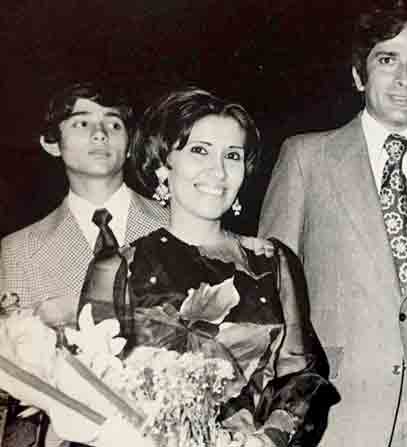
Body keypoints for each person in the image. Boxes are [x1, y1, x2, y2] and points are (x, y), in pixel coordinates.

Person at [58, 87, 336, 447]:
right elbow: (94, 386)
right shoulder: (118, 267)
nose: (217, 171)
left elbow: (299, 373)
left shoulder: (273, 262)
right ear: (162, 165)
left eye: (232, 155)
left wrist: (266, 440)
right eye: (199, 151)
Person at [258, 2, 407, 446]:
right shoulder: (306, 159)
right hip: (338, 409)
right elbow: (269, 297)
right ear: (359, 75)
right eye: (386, 59)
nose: (404, 78)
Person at [0, 82, 170, 447]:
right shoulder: (18, 250)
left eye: (114, 124)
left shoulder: (176, 226)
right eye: (81, 123)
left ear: (129, 146)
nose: (100, 134)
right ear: (51, 143)